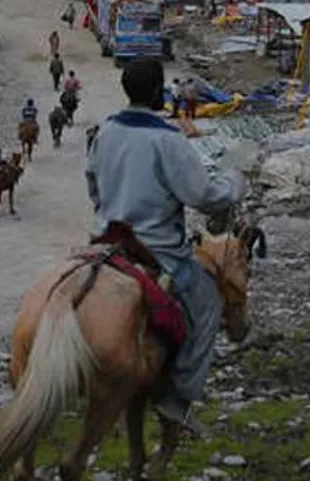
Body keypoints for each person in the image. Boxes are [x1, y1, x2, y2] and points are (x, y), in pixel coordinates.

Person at [86, 59, 247, 433]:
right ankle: (178, 397)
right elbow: (201, 195)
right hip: (156, 249)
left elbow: (92, 181)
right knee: (208, 303)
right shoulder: (167, 139)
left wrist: (107, 210)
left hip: (106, 240)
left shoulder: (105, 131)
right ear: (159, 91)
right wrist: (234, 184)